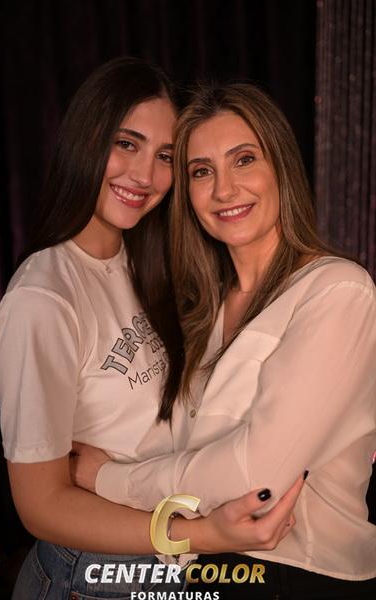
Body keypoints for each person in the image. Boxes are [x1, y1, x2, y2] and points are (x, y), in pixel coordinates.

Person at [0, 61, 304, 599]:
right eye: (126, 144)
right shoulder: (42, 300)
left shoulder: (142, 262)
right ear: (86, 140)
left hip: (162, 564)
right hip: (92, 575)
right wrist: (200, 534)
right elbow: (41, 506)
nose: (145, 176)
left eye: (164, 157)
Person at [72, 82, 376, 599]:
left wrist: (107, 479)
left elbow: (256, 476)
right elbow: (187, 450)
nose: (224, 190)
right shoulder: (205, 310)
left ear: (280, 167)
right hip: (205, 570)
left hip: (302, 575)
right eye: (201, 171)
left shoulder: (337, 290)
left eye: (244, 160)